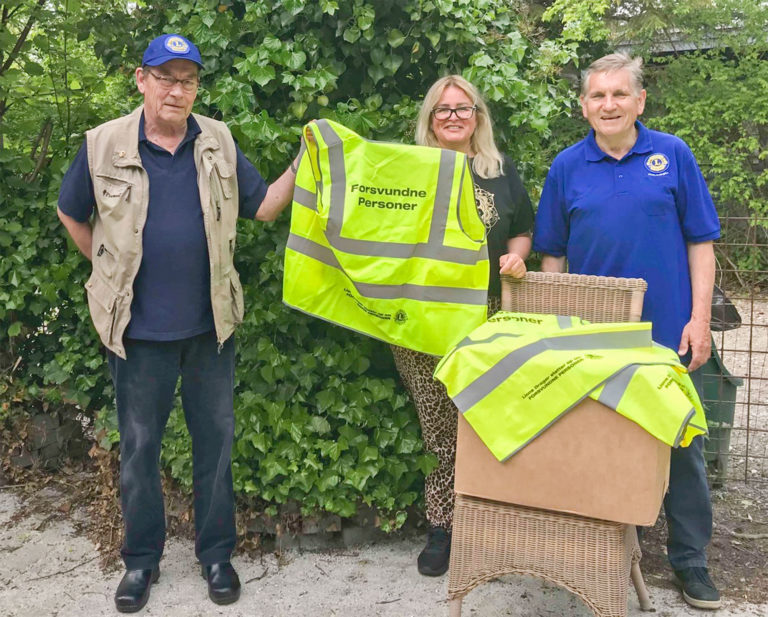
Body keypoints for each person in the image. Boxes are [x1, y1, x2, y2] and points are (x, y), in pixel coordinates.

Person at [56, 34, 297, 612]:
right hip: (137, 334)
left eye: (187, 80)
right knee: (140, 450)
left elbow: (262, 206)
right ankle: (141, 562)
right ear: (141, 79)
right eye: (166, 77)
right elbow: (71, 211)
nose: (177, 89)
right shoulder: (101, 145)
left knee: (215, 445)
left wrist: (305, 161)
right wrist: (109, 270)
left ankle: (216, 556)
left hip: (210, 328)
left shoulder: (217, 140)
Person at [533, 53, 721, 610]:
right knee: (600, 444)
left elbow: (701, 242)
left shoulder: (673, 155)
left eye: (619, 94)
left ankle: (691, 560)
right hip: (593, 340)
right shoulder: (567, 167)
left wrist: (700, 319)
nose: (608, 105)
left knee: (680, 443)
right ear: (584, 107)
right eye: (597, 96)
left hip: (666, 336)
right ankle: (609, 557)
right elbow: (553, 257)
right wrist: (558, 329)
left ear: (640, 101)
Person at [391, 75, 534, 576]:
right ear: (429, 119)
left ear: (478, 117)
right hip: (424, 320)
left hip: (489, 316)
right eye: (442, 110)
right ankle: (442, 528)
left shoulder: (500, 171)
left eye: (463, 108)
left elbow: (521, 230)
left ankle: (491, 525)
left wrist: (517, 260)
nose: (453, 117)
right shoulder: (407, 172)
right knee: (440, 429)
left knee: (488, 422)